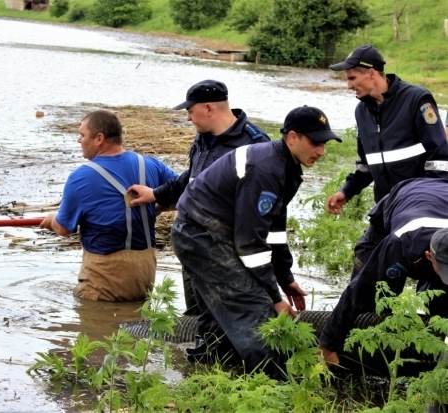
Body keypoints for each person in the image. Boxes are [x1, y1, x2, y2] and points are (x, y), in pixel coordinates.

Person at [171, 106, 341, 375]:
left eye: (324, 144)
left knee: (225, 311)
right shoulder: (267, 169)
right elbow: (250, 244)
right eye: (316, 143)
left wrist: (285, 277)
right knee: (258, 313)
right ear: (293, 137)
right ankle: (272, 386)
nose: (321, 151)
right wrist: (274, 297)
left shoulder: (289, 168)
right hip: (200, 235)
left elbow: (273, 229)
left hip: (211, 232)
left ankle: (208, 374)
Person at [127, 79, 271, 315]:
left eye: (190, 111)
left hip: (227, 247)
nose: (188, 118)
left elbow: (263, 204)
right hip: (194, 242)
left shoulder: (255, 145)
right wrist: (156, 195)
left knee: (228, 313)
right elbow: (192, 179)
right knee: (196, 312)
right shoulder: (203, 138)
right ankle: (197, 349)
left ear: (209, 109)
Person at [40, 110, 178, 302]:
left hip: (103, 281)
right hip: (144, 277)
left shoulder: (81, 177)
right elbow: (187, 193)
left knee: (94, 326)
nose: (79, 140)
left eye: (82, 135)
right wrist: (160, 206)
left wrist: (51, 220)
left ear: (99, 138)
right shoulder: (151, 164)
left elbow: (63, 228)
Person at [319, 177, 448, 367]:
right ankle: (357, 363)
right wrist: (328, 344)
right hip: (404, 196)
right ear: (429, 256)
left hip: (441, 197)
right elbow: (358, 291)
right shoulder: (399, 242)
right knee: (375, 300)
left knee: (441, 304)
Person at [325, 45, 448, 215]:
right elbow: (366, 165)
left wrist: (423, 201)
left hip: (418, 206)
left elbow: (440, 160)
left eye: (352, 78)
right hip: (385, 207)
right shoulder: (362, 111)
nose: (349, 86)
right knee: (366, 244)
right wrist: (346, 192)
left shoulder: (417, 100)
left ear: (371, 73)